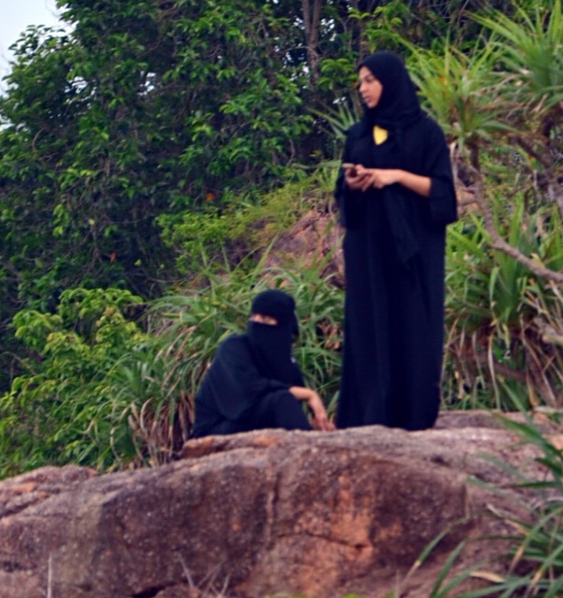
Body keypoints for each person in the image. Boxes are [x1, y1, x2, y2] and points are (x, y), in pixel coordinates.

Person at [335, 50, 458, 430]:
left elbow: (443, 194)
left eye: (370, 80)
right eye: (360, 82)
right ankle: (369, 415)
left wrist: (396, 176)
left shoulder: (426, 132)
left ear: (391, 81)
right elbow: (342, 195)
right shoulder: (357, 134)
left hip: (413, 251)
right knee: (369, 325)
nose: (363, 88)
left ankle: (414, 416)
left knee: (413, 325)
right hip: (369, 249)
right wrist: (353, 183)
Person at [189, 288, 333, 439]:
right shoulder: (234, 347)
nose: (256, 323)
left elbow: (287, 411)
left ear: (283, 326)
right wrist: (309, 394)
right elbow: (250, 391)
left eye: (265, 319)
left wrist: (318, 427)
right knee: (282, 400)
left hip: (258, 430)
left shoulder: (287, 365)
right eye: (253, 317)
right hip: (216, 430)